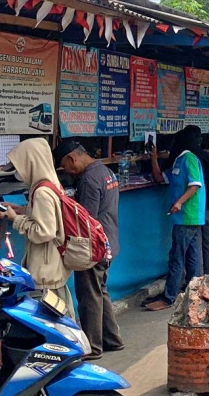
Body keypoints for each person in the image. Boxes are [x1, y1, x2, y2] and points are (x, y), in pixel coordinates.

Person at [52, 139, 124, 360]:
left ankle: (93, 346)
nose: (67, 171)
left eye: (65, 166)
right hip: (109, 240)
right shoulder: (105, 171)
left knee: (89, 295)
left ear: (73, 158)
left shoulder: (89, 180)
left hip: (94, 246)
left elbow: (86, 220)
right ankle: (112, 338)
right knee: (100, 291)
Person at [0, 138, 75, 318]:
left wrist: (15, 219)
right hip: (52, 267)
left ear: (31, 164)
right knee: (63, 317)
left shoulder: (41, 192)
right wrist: (23, 210)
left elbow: (44, 232)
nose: (19, 173)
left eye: (19, 167)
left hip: (45, 269)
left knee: (55, 321)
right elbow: (47, 217)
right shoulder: (51, 185)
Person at [145, 128, 206, 311]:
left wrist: (179, 202)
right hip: (186, 218)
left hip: (188, 216)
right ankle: (194, 293)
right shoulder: (179, 160)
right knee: (192, 257)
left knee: (177, 257)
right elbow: (160, 177)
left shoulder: (189, 158)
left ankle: (169, 297)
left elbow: (195, 184)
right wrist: (153, 157)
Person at [175, 125, 209, 276]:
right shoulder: (208, 158)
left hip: (193, 209)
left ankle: (195, 281)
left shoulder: (183, 158)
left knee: (194, 250)